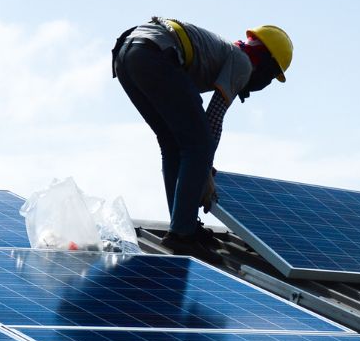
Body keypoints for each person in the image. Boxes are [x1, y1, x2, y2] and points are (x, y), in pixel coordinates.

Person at [112, 17, 292, 262]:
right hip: (154, 54)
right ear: (266, 64)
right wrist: (205, 168)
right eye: (271, 77)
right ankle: (182, 233)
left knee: (174, 144)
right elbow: (213, 119)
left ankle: (183, 225)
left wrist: (202, 165)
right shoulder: (243, 62)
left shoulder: (223, 54)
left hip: (128, 55)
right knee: (197, 145)